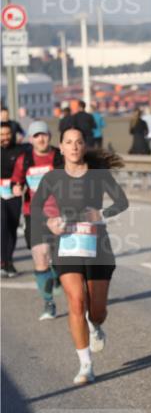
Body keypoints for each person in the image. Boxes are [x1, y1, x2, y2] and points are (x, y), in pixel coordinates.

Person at [31, 128, 128, 385]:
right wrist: (50, 221)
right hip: (67, 244)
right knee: (76, 302)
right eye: (68, 143)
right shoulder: (52, 178)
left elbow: (122, 202)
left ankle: (95, 325)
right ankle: (86, 365)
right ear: (60, 148)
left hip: (98, 246)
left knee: (97, 311)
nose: (74, 147)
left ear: (84, 146)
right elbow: (37, 207)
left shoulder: (98, 176)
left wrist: (101, 215)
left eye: (79, 142)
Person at [11, 121, 61, 319]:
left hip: (60, 213)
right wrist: (17, 188)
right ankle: (48, 303)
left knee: (58, 257)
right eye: (36, 135)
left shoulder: (59, 156)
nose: (41, 139)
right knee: (40, 256)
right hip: (34, 213)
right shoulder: (24, 160)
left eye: (44, 134)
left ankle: (57, 272)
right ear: (31, 139)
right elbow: (17, 181)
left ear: (49, 135)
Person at [1, 122, 27, 276]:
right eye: (1, 134)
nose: (4, 137)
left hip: (13, 193)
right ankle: (2, 261)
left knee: (12, 226)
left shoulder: (20, 151)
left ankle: (9, 261)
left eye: (7, 134)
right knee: (2, 223)